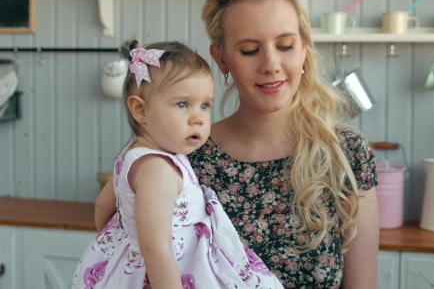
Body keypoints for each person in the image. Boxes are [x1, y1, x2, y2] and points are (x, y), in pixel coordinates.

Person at [193, 0, 380, 288]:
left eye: (285, 45)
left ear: (304, 48)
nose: (270, 64)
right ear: (221, 58)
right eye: (250, 50)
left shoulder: (346, 153)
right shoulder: (189, 155)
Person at [72, 41, 282, 289]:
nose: (198, 118)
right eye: (182, 104)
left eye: (204, 105)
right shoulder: (157, 169)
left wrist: (117, 244)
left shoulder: (131, 156)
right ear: (141, 110)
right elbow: (156, 248)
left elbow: (103, 206)